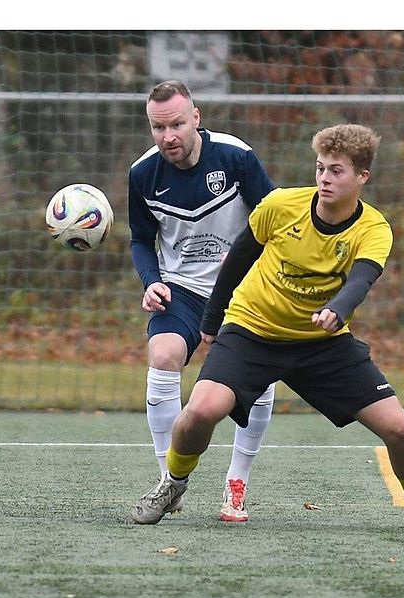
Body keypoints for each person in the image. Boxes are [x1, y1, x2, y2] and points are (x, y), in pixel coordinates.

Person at [132, 123, 404, 530]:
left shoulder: (374, 228)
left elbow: (363, 278)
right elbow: (238, 259)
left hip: (322, 344)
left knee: (400, 430)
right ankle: (172, 484)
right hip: (252, 331)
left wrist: (338, 309)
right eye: (320, 168)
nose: (324, 179)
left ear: (362, 176)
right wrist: (211, 320)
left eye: (336, 171)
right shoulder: (280, 206)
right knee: (199, 412)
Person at [127, 80, 277, 523]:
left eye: (176, 124)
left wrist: (272, 279)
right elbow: (140, 238)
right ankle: (168, 482)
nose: (168, 136)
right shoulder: (143, 174)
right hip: (182, 289)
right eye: (158, 127)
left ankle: (237, 484)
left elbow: (272, 219)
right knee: (164, 354)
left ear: (196, 118)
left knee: (258, 375)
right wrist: (151, 280)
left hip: (244, 289)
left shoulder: (235, 156)